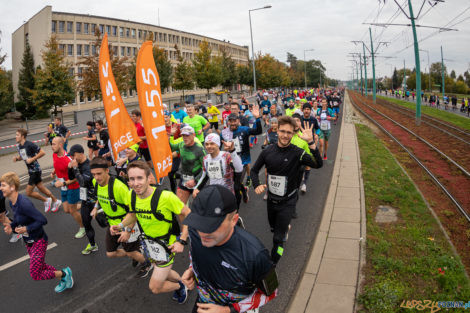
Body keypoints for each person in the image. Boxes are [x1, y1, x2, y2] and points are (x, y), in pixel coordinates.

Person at [182, 185, 278, 313]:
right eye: (199, 223)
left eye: (211, 226)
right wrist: (192, 269)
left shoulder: (255, 255)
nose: (203, 233)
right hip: (203, 304)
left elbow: (271, 293)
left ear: (234, 220)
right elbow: (195, 253)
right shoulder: (194, 231)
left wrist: (227, 310)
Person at [110, 161, 191, 303]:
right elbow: (134, 214)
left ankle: (180, 286)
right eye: (132, 179)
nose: (136, 183)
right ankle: (182, 281)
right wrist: (121, 225)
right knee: (161, 270)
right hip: (149, 243)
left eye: (140, 178)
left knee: (155, 287)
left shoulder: (166, 197)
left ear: (149, 178)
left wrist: (182, 240)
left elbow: (188, 213)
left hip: (167, 245)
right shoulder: (131, 195)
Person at [251, 116, 323, 264]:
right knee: (273, 229)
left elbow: (318, 164)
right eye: (282, 131)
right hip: (271, 200)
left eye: (289, 133)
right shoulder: (267, 151)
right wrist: (256, 184)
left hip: (288, 201)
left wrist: (311, 143)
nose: (285, 135)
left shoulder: (298, 153)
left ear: (293, 134)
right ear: (277, 130)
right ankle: (283, 228)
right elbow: (254, 170)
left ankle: (274, 262)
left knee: (278, 239)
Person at [1, 172, 74, 293]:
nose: (0, 188)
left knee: (35, 274)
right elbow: (19, 220)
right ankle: (64, 273)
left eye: (3, 185)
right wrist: (11, 226)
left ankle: (64, 275)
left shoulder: (24, 203)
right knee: (41, 266)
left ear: (12, 187)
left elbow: (42, 220)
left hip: (38, 241)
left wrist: (27, 229)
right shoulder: (11, 202)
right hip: (29, 242)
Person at [89, 157, 149, 276]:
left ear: (107, 170)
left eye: (99, 173)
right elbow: (99, 196)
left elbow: (133, 212)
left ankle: (147, 263)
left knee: (131, 252)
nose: (96, 177)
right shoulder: (95, 182)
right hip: (112, 225)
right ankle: (137, 252)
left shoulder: (119, 188)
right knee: (110, 253)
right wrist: (95, 207)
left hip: (126, 223)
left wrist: (127, 231)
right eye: (93, 174)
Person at [13, 128, 61, 213]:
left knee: (28, 192)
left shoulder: (30, 144)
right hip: (31, 171)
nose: (15, 137)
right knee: (41, 188)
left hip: (35, 170)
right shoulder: (19, 146)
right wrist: (17, 158)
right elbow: (23, 156)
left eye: (17, 135)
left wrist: (33, 159)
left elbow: (42, 152)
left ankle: (46, 200)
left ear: (22, 136)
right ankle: (56, 201)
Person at [193, 133, 243, 207]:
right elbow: (204, 176)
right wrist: (196, 188)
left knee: (230, 216)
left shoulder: (226, 156)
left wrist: (232, 151)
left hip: (228, 193)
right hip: (214, 193)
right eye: (206, 144)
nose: (209, 146)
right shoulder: (206, 159)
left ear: (218, 144)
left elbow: (239, 169)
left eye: (212, 143)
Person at [51, 137, 85, 238]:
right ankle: (86, 206)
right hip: (64, 187)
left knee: (72, 210)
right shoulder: (54, 155)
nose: (52, 147)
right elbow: (57, 165)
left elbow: (77, 177)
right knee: (66, 209)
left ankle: (83, 228)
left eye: (54, 144)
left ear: (61, 145)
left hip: (72, 187)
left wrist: (64, 183)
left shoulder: (69, 159)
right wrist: (53, 172)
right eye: (52, 144)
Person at [221, 107, 262, 192]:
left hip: (243, 161)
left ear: (238, 121)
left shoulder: (244, 129)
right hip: (230, 161)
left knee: (236, 185)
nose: (232, 123)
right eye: (230, 121)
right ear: (228, 122)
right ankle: (244, 191)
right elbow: (218, 146)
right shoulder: (224, 132)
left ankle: (237, 200)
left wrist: (257, 118)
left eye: (234, 121)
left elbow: (258, 131)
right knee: (233, 183)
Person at [68, 144, 98, 255]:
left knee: (105, 222)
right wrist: (70, 168)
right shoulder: (77, 163)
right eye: (71, 156)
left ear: (80, 153)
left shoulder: (89, 165)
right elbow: (71, 178)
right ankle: (93, 245)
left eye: (73, 155)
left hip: (96, 200)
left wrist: (75, 168)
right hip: (85, 199)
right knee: (86, 222)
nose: (72, 157)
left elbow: (82, 182)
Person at [170, 125, 206, 204]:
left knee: (198, 207)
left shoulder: (199, 149)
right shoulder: (181, 144)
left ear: (193, 135)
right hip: (184, 179)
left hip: (197, 181)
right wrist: (171, 135)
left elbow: (205, 168)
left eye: (187, 135)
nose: (185, 138)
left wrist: (195, 180)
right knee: (180, 207)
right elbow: (171, 147)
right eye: (183, 135)